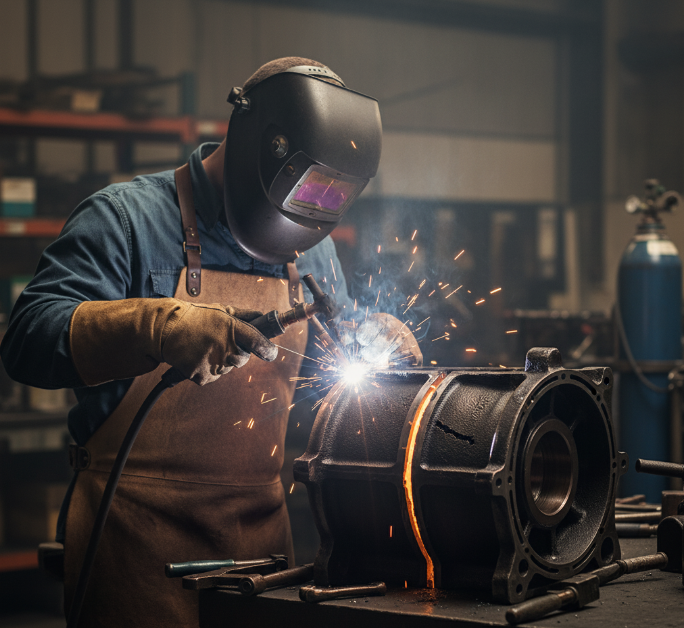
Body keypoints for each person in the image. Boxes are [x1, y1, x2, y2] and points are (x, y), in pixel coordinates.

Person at [0, 57, 421, 627]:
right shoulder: (125, 219)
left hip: (263, 549)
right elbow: (27, 338)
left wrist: (371, 341)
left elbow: (326, 356)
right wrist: (154, 326)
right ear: (255, 146)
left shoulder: (311, 248)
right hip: (135, 539)